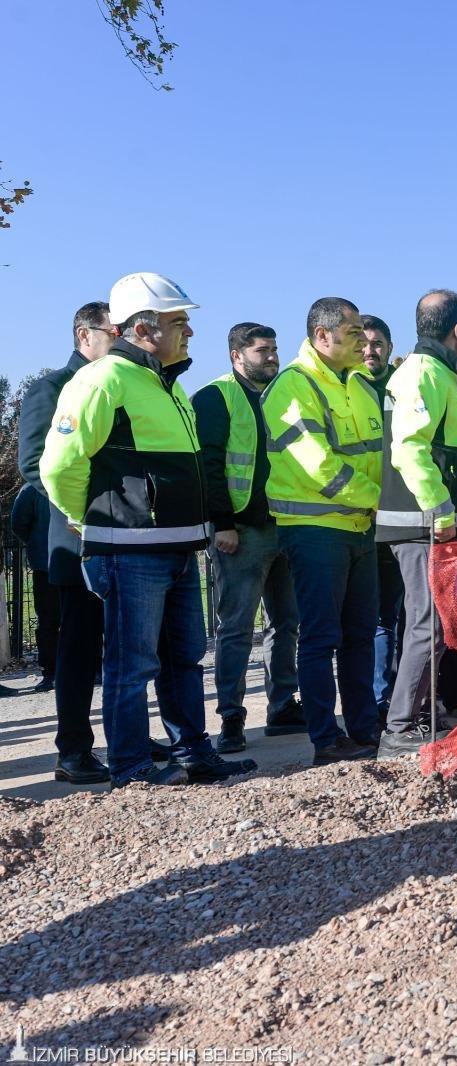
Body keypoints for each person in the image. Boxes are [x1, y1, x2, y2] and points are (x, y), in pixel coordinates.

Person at [41, 272, 256, 788]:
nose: (190, 331)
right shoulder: (102, 380)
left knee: (184, 659)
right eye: (178, 321)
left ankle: (193, 754)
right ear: (142, 329)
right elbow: (58, 465)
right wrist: (88, 520)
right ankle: (132, 767)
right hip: (129, 550)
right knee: (132, 664)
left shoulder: (168, 385)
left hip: (177, 547)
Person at [261, 296, 384, 764]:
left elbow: (379, 453)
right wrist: (380, 499)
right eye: (353, 334)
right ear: (322, 336)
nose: (363, 343)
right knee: (319, 637)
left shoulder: (361, 384)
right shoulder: (293, 385)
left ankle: (365, 731)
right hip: (315, 529)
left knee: (360, 634)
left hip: (360, 527)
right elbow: (318, 465)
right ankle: (326, 741)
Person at [18, 302, 124, 783]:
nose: (122, 340)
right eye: (114, 332)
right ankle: (74, 750)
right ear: (85, 335)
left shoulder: (123, 385)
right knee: (79, 651)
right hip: (78, 538)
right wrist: (87, 511)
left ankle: (127, 736)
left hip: (127, 539)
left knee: (126, 647)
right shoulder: (51, 388)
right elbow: (35, 464)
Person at [192, 322, 304, 754]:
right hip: (241, 532)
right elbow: (209, 465)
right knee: (236, 627)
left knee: (286, 623)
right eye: (262, 350)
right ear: (237, 355)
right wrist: (221, 523)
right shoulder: (216, 397)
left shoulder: (283, 396)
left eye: (274, 349)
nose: (272, 356)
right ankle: (231, 717)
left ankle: (282, 706)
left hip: (286, 525)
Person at [375, 290, 457, 758]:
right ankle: (400, 728)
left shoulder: (433, 373)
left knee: (432, 624)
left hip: (428, 522)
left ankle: (416, 720)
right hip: (423, 524)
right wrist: (440, 509)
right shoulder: (424, 373)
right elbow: (410, 447)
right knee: (427, 625)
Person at [360, 315, 405, 722]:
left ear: (390, 347)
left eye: (377, 343)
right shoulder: (346, 388)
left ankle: (398, 697)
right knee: (372, 618)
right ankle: (376, 699)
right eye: (363, 343)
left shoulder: (402, 385)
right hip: (359, 517)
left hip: (402, 516)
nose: (370, 350)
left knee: (401, 613)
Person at [10, 484, 57, 693]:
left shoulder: (32, 488)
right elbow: (19, 523)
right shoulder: (33, 489)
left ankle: (51, 672)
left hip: (46, 561)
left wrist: (36, 543)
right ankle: (55, 671)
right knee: (55, 620)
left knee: (49, 621)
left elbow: (19, 524)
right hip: (57, 562)